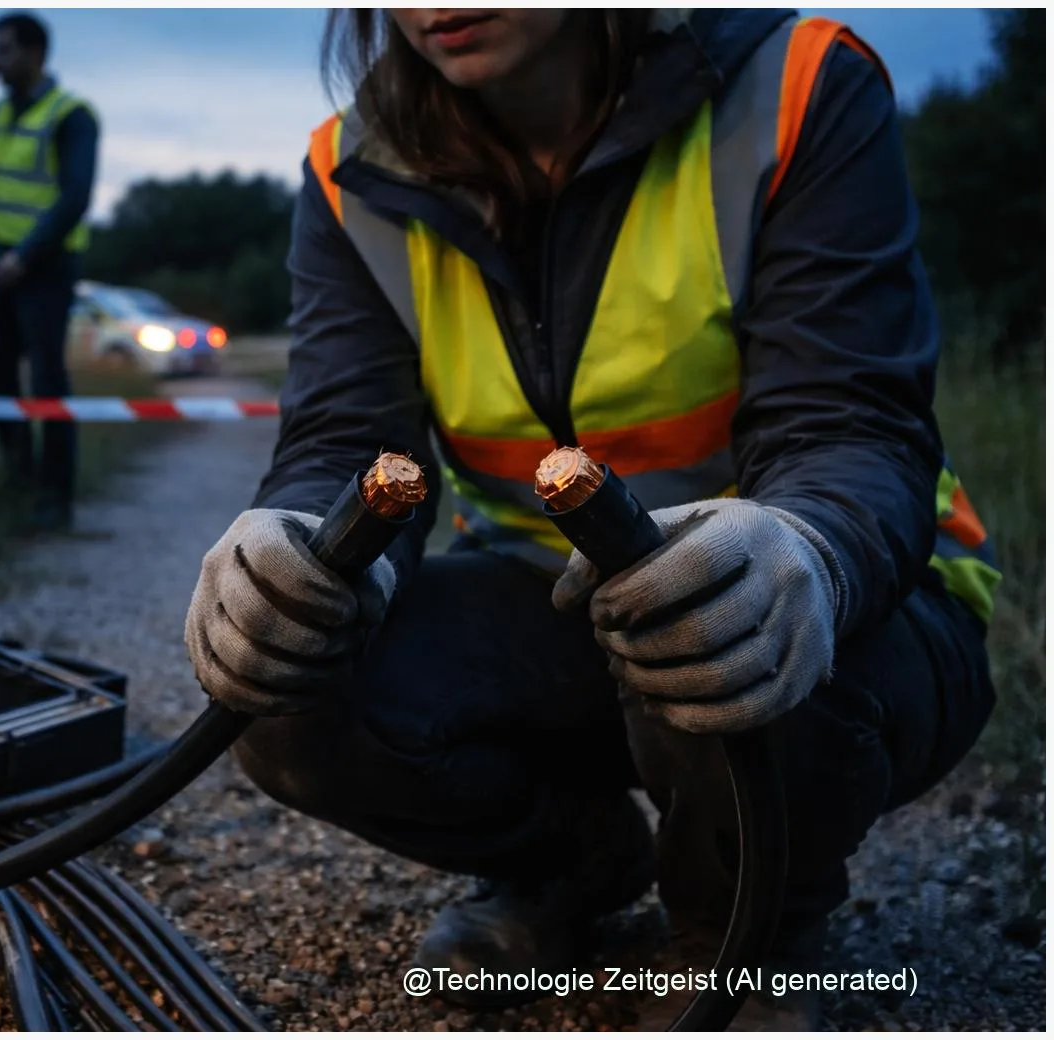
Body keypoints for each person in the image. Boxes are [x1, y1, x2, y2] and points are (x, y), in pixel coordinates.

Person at [183, 8, 1001, 1029]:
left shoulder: (793, 87)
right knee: (290, 676)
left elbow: (848, 420)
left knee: (710, 611)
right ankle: (568, 862)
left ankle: (744, 932)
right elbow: (348, 442)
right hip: (547, 605)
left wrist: (810, 551)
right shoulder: (352, 169)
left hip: (845, 602)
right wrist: (294, 540)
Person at [0, 10, 99, 530]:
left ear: (35, 54)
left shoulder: (71, 114)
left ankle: (56, 501)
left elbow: (75, 196)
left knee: (49, 381)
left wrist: (24, 256)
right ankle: (20, 481)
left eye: (6, 50)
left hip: (45, 267)